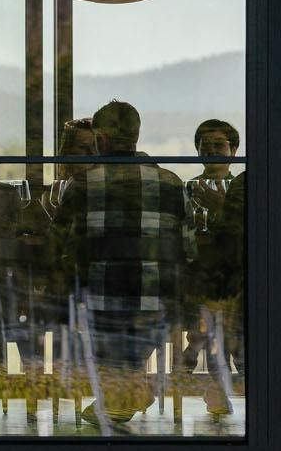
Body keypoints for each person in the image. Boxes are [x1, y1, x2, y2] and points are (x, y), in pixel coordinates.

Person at [51, 100, 185, 430]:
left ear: (103, 139)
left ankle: (123, 400)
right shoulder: (171, 182)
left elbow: (59, 244)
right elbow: (187, 247)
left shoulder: (83, 185)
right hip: (155, 303)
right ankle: (128, 394)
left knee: (111, 359)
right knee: (125, 359)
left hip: (100, 301)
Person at [184, 118, 245, 427]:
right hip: (204, 272)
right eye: (204, 145)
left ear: (234, 150)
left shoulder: (243, 188)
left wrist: (221, 206)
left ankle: (196, 347)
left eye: (218, 144)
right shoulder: (188, 188)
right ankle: (218, 387)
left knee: (215, 317)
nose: (210, 150)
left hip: (234, 275)